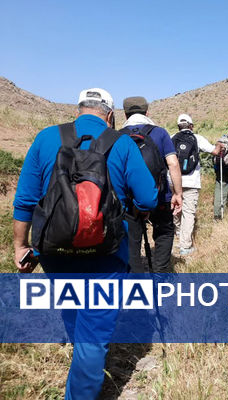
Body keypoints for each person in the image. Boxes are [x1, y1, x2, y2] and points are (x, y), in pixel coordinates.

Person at [13, 88, 158, 400]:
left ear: (78, 109)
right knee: (94, 334)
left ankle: (79, 374)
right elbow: (148, 197)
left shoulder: (46, 138)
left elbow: (24, 200)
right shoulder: (121, 142)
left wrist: (20, 246)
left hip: (55, 252)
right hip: (105, 254)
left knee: (73, 313)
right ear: (109, 115)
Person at [121, 96, 182, 273]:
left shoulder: (117, 135)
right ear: (147, 112)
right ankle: (161, 273)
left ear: (125, 115)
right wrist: (177, 193)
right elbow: (173, 163)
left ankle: (136, 278)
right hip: (160, 195)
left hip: (129, 200)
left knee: (132, 238)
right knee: (164, 233)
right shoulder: (160, 133)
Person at [171, 114, 222, 255]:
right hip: (191, 181)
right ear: (191, 126)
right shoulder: (197, 138)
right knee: (188, 212)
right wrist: (219, 144)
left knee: (176, 209)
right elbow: (215, 151)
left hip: (174, 180)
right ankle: (185, 246)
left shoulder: (171, 138)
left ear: (178, 126)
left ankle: (178, 235)